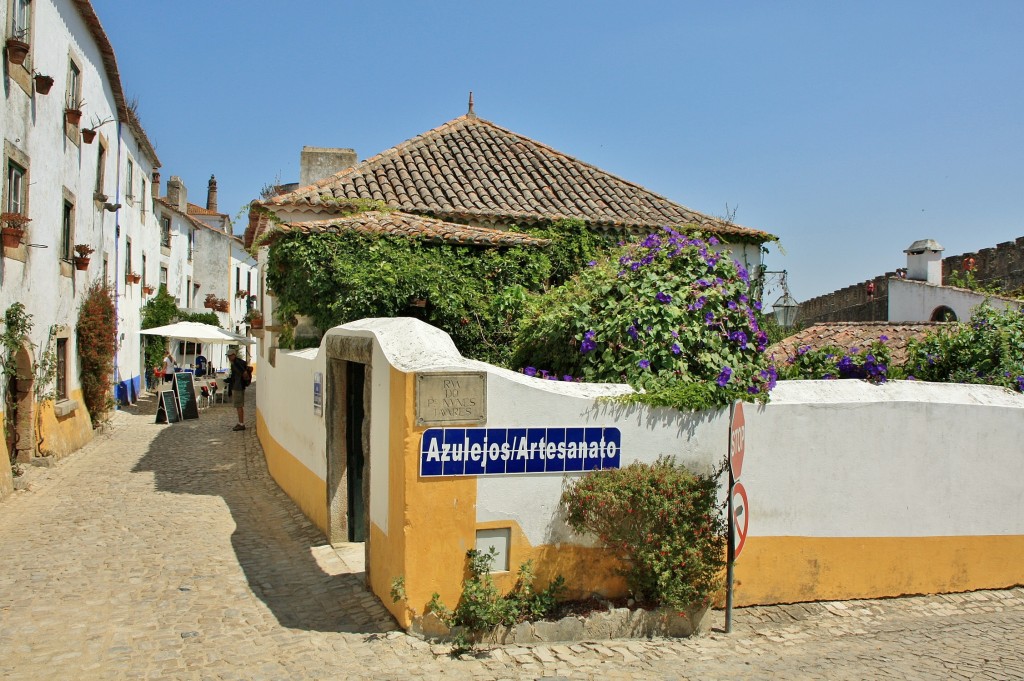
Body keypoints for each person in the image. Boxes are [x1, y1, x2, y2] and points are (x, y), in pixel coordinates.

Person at [227, 348, 248, 431]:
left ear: (234, 355)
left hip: (238, 387)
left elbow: (240, 374)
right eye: (228, 356)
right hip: (239, 386)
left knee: (239, 405)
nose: (228, 357)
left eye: (230, 356)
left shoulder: (236, 363)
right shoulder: (238, 362)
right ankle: (240, 422)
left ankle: (241, 423)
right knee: (239, 406)